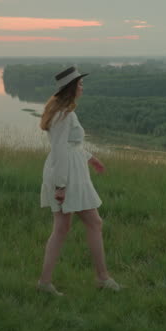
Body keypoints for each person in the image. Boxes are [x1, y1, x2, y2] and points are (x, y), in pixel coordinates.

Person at [36, 66, 121, 295]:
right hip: (67, 176)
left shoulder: (63, 112)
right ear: (71, 88)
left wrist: (91, 158)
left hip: (70, 172)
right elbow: (60, 150)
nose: (83, 87)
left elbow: (71, 146)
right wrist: (61, 186)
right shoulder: (64, 115)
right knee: (91, 223)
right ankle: (102, 278)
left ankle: (46, 283)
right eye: (80, 84)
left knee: (65, 227)